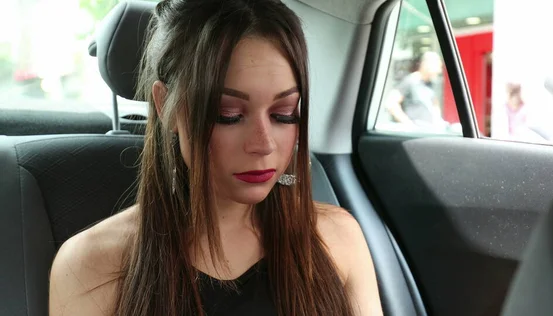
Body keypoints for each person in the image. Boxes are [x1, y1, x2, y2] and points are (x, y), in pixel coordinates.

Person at [48, 1, 383, 315]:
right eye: (228, 114)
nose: (263, 144)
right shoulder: (92, 266)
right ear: (167, 106)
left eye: (284, 114)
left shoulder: (337, 238)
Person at [385, 51, 447, 129]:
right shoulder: (411, 81)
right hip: (415, 132)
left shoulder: (431, 83)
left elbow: (435, 105)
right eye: (437, 66)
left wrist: (437, 121)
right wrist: (408, 123)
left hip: (429, 130)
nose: (439, 71)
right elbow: (391, 102)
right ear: (426, 64)